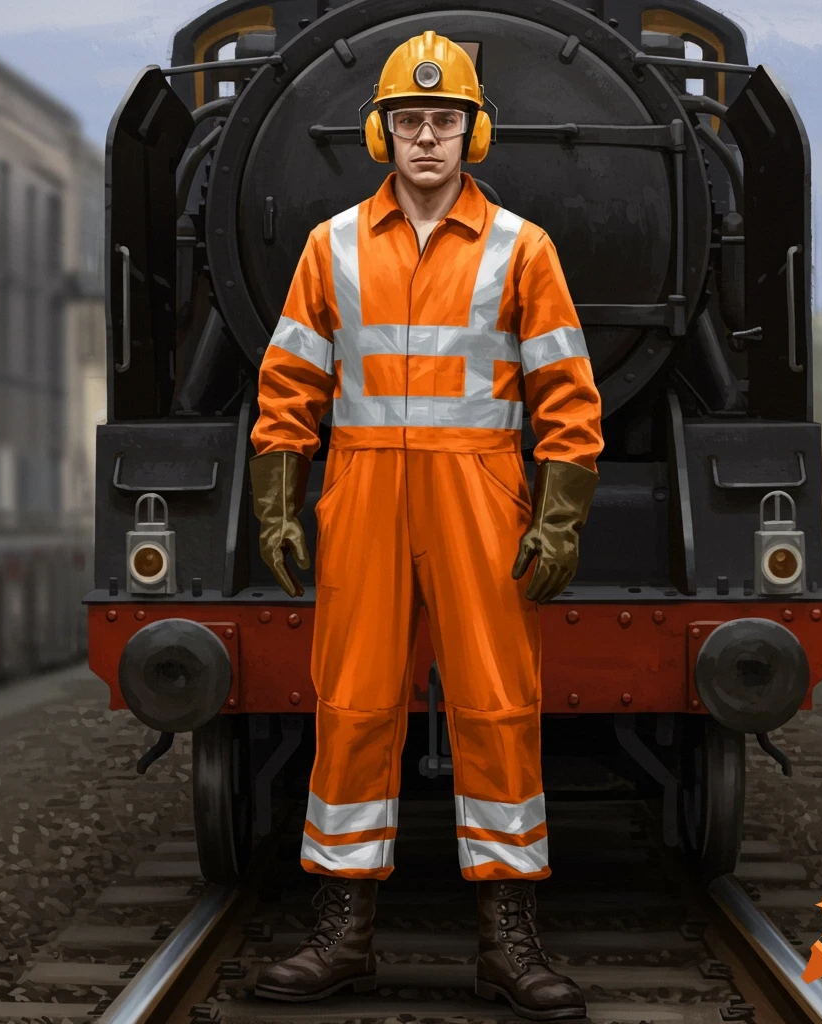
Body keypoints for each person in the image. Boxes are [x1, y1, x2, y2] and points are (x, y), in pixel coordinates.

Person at [247, 30, 603, 1022]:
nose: (427, 138)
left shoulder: (520, 247)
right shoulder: (331, 247)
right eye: (410, 120)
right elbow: (290, 384)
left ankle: (505, 939)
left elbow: (566, 395)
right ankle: (343, 933)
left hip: (478, 497)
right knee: (353, 704)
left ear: (473, 132)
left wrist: (560, 516)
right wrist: (277, 502)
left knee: (495, 706)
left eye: (444, 120)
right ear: (382, 134)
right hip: (360, 496)